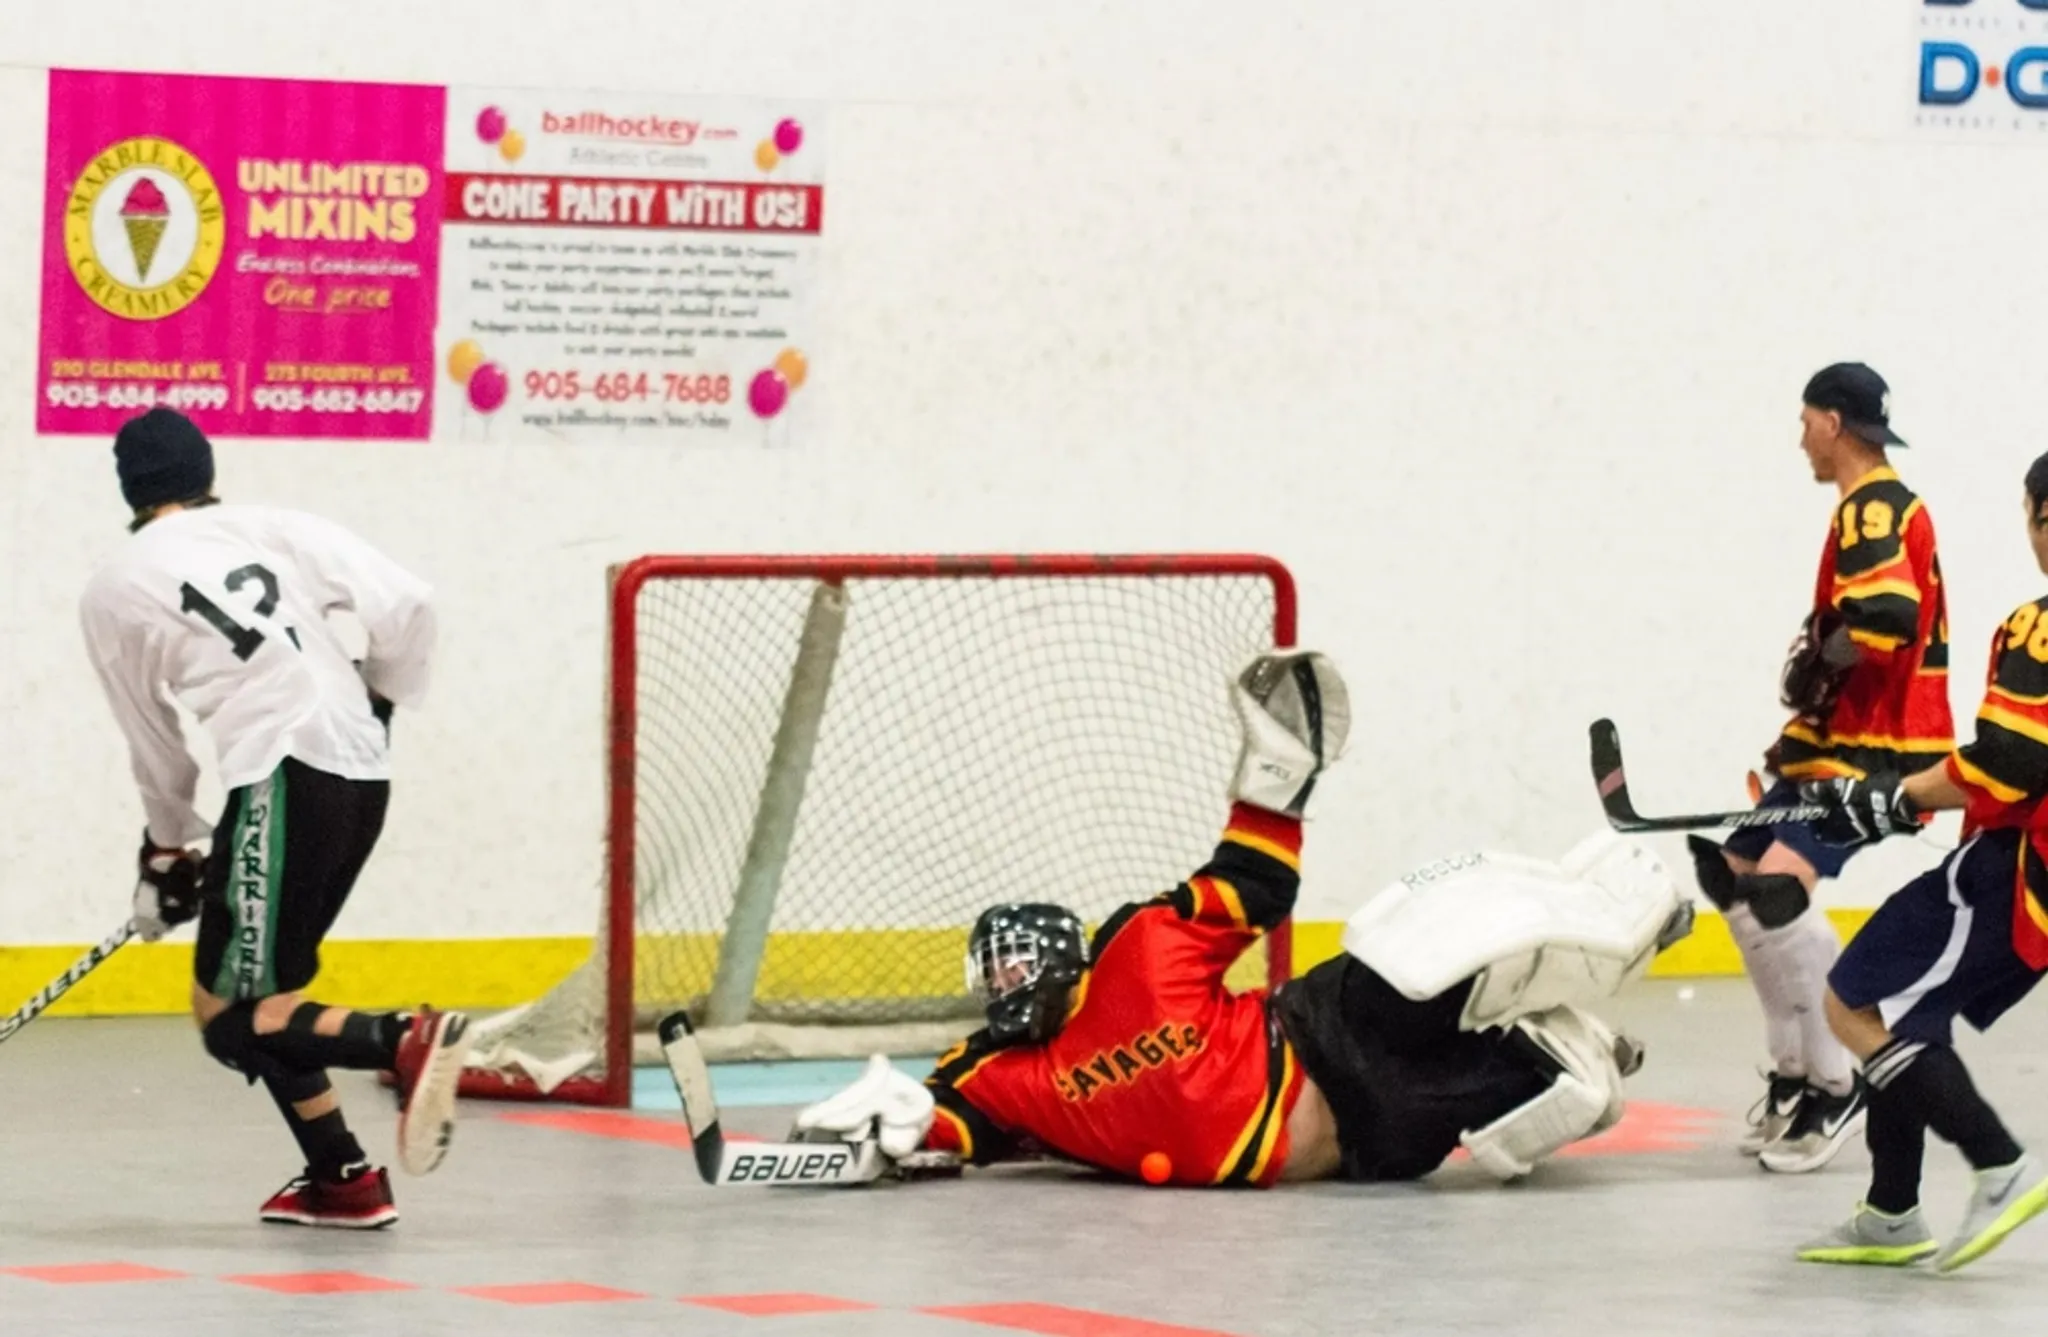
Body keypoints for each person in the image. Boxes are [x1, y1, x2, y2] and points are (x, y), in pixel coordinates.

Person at [791, 650, 1691, 1187]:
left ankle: (1620, 906)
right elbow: (958, 1126)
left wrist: (1278, 774)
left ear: (1065, 952)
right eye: (993, 974)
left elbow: (1252, 883)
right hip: (1358, 1131)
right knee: (1561, 1087)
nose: (1005, 986)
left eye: (1020, 964)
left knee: (1427, 940)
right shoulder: (996, 1072)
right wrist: (893, 1124)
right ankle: (1591, 1042)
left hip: (1318, 1028)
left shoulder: (1134, 948)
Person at [78, 407, 473, 1229]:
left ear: (130, 489)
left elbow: (157, 745)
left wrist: (164, 851)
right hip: (360, 773)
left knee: (232, 1020)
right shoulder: (274, 527)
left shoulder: (115, 585)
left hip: (282, 774)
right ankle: (342, 1180)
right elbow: (409, 604)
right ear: (207, 471)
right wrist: (384, 696)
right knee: (259, 998)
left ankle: (404, 1037)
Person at [1687, 363, 1954, 1174]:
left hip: (1875, 746)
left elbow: (1889, 616)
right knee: (1734, 875)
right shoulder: (1865, 504)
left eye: (1806, 419)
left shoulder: (1875, 503)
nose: (1800, 434)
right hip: (1833, 738)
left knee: (1776, 883)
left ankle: (1839, 1083)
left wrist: (1826, 656)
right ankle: (1793, 1073)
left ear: (1834, 422)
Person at [1792, 451, 2048, 1272]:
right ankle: (1892, 1210)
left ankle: (1999, 1162)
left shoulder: (2041, 623)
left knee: (1854, 999)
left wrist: (1900, 792)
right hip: (2018, 870)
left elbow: (2011, 759)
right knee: (1900, 1009)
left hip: (2017, 872)